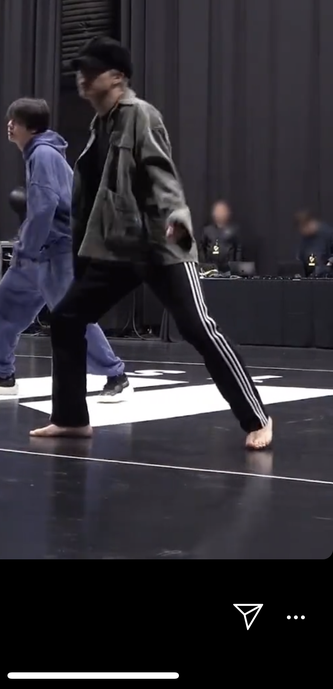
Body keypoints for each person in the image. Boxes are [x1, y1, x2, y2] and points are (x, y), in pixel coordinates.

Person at [30, 37, 272, 449]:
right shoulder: (100, 126)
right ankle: (70, 418)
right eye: (81, 70)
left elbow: (163, 175)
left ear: (117, 77)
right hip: (118, 250)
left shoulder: (140, 116)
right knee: (67, 318)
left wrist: (176, 219)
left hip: (160, 245)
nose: (82, 77)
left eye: (92, 70)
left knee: (198, 329)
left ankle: (258, 418)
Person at [0, 97, 129, 400]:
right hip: (39, 252)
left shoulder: (43, 154)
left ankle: (116, 375)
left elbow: (45, 207)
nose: (9, 125)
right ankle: (0, 375)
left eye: (16, 121)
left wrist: (27, 247)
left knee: (71, 315)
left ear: (30, 128)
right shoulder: (39, 152)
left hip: (56, 250)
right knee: (4, 305)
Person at [200, 200, 242, 271]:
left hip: (228, 269)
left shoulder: (233, 231)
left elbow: (238, 249)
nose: (220, 214)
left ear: (227, 213)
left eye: (222, 211)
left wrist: (236, 266)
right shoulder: (207, 230)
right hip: (210, 268)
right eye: (218, 211)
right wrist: (204, 264)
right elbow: (201, 248)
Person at [294, 209, 333, 278]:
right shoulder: (305, 241)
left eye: (304, 226)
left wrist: (328, 264)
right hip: (312, 277)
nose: (303, 231)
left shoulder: (328, 235)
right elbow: (302, 259)